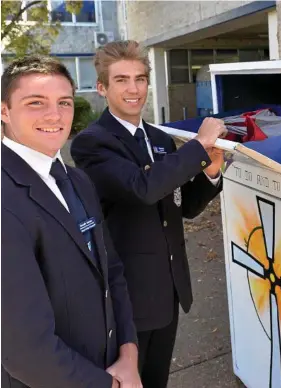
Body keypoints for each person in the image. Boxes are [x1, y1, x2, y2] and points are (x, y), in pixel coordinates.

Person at [70, 40, 227, 388]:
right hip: (127, 296)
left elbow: (182, 206)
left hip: (168, 288)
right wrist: (198, 147)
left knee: (157, 380)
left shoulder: (159, 138)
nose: (133, 89)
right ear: (102, 87)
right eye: (122, 80)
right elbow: (143, 188)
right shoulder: (93, 143)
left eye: (140, 79)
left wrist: (210, 172)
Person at [1, 56, 141, 388]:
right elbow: (25, 350)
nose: (54, 115)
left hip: (112, 365)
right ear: (3, 111)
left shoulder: (76, 181)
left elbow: (112, 272)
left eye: (64, 102)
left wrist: (129, 355)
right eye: (36, 103)